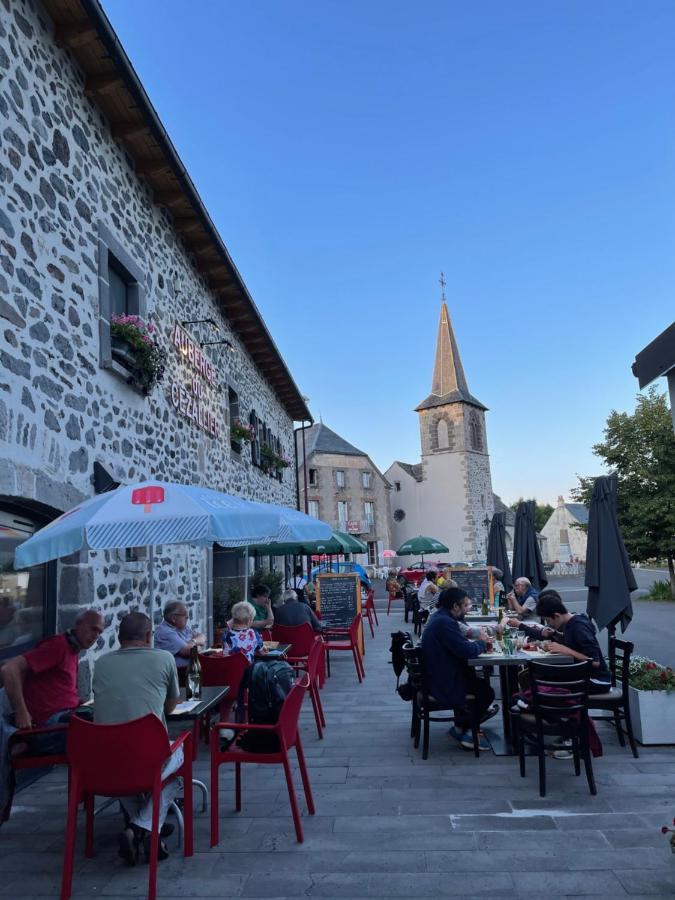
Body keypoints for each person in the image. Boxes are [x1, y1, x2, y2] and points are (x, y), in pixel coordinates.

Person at [93, 612, 180, 864]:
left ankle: (140, 830)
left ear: (119, 638)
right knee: (175, 770)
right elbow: (171, 707)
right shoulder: (164, 658)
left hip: (104, 759)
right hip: (149, 755)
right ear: (149, 636)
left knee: (124, 769)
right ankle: (144, 828)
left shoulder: (101, 663)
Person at [0, 609, 104, 820]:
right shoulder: (58, 646)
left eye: (99, 633)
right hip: (49, 729)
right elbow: (9, 670)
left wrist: (80, 702)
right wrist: (21, 712)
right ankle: (141, 809)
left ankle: (138, 806)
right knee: (112, 731)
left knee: (111, 719)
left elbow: (58, 692)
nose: (95, 636)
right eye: (92, 629)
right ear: (79, 624)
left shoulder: (73, 651)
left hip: (63, 720)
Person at [420, 587, 495, 751]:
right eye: (466, 606)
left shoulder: (440, 618)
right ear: (455, 606)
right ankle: (470, 734)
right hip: (443, 682)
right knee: (486, 692)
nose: (467, 609)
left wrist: (476, 644)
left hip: (436, 676)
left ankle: (460, 728)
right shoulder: (445, 623)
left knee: (478, 685)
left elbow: (459, 647)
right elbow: (467, 652)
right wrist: (482, 642)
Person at [535, 590, 611, 693]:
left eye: (548, 621)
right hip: (581, 674)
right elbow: (574, 641)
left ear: (557, 616)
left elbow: (595, 662)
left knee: (541, 683)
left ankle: (567, 708)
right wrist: (555, 634)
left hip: (596, 680)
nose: (548, 624)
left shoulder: (579, 627)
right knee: (539, 676)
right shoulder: (570, 622)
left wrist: (566, 650)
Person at [154, 601, 206, 668]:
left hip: (190, 669)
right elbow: (190, 651)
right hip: (177, 674)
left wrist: (192, 642)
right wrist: (195, 642)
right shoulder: (165, 632)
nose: (187, 617)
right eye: (184, 614)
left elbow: (202, 637)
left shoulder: (183, 628)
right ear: (173, 618)